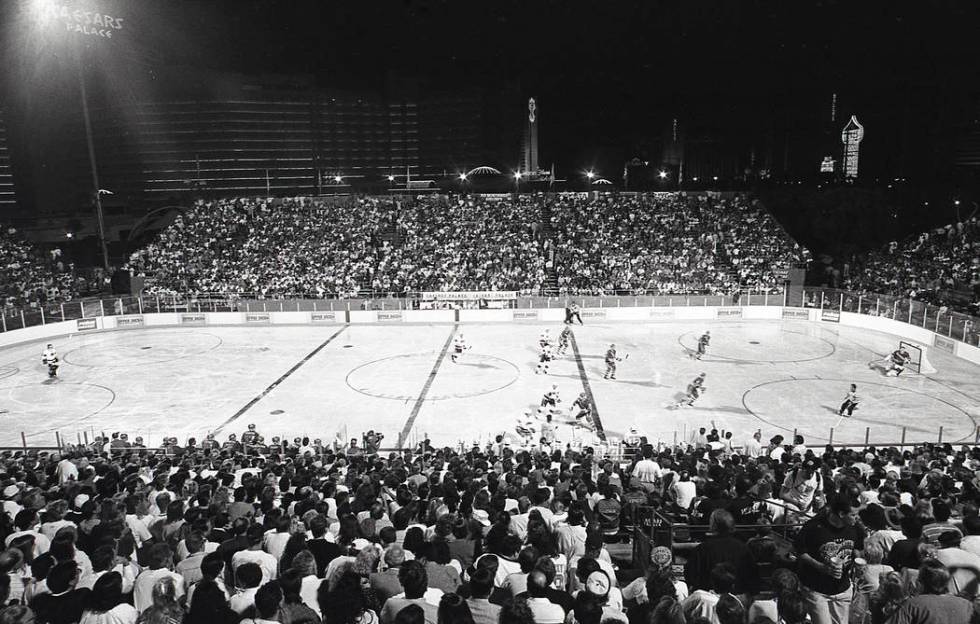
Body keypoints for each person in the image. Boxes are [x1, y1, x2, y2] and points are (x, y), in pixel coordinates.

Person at [794, 495, 866, 624]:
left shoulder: (855, 527)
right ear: (841, 514)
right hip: (817, 590)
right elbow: (800, 552)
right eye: (853, 515)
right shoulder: (814, 527)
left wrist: (858, 561)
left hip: (842, 588)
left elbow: (858, 547)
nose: (857, 518)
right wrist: (821, 567)